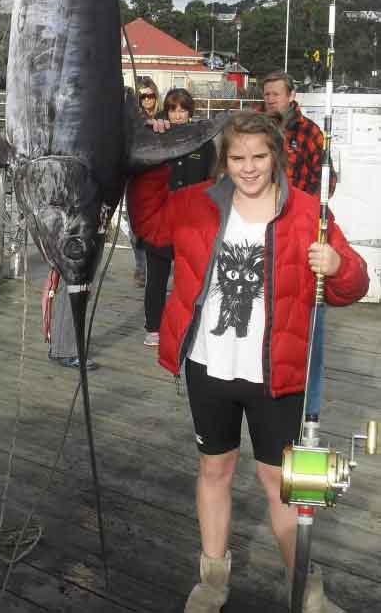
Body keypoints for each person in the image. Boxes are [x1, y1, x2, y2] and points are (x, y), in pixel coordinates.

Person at [127, 111, 367, 613]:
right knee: (214, 468)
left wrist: (340, 267)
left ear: (276, 157)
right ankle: (213, 578)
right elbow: (150, 226)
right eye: (238, 158)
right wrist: (150, 163)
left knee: (280, 481)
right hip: (208, 367)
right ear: (224, 161)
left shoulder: (308, 213)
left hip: (275, 374)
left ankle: (307, 590)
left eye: (259, 156)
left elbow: (354, 286)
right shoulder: (197, 204)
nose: (250, 167)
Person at [263, 69, 336, 422]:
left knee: (309, 321)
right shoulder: (260, 130)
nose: (271, 99)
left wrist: (303, 210)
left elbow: (328, 181)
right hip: (263, 234)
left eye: (277, 93)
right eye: (267, 94)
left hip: (302, 234)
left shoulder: (309, 133)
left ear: (292, 96)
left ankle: (310, 410)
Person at [142, 88, 217, 347]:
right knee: (157, 277)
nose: (177, 115)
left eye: (183, 110)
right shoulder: (156, 136)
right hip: (161, 219)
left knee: (190, 276)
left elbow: (211, 179)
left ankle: (188, 324)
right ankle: (153, 327)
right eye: (173, 109)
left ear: (190, 112)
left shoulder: (203, 142)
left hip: (192, 219)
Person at [129, 77, 161, 286]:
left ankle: (157, 268)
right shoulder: (133, 119)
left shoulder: (163, 118)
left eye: (150, 95)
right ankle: (141, 267)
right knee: (134, 229)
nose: (146, 100)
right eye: (142, 97)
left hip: (159, 177)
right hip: (136, 176)